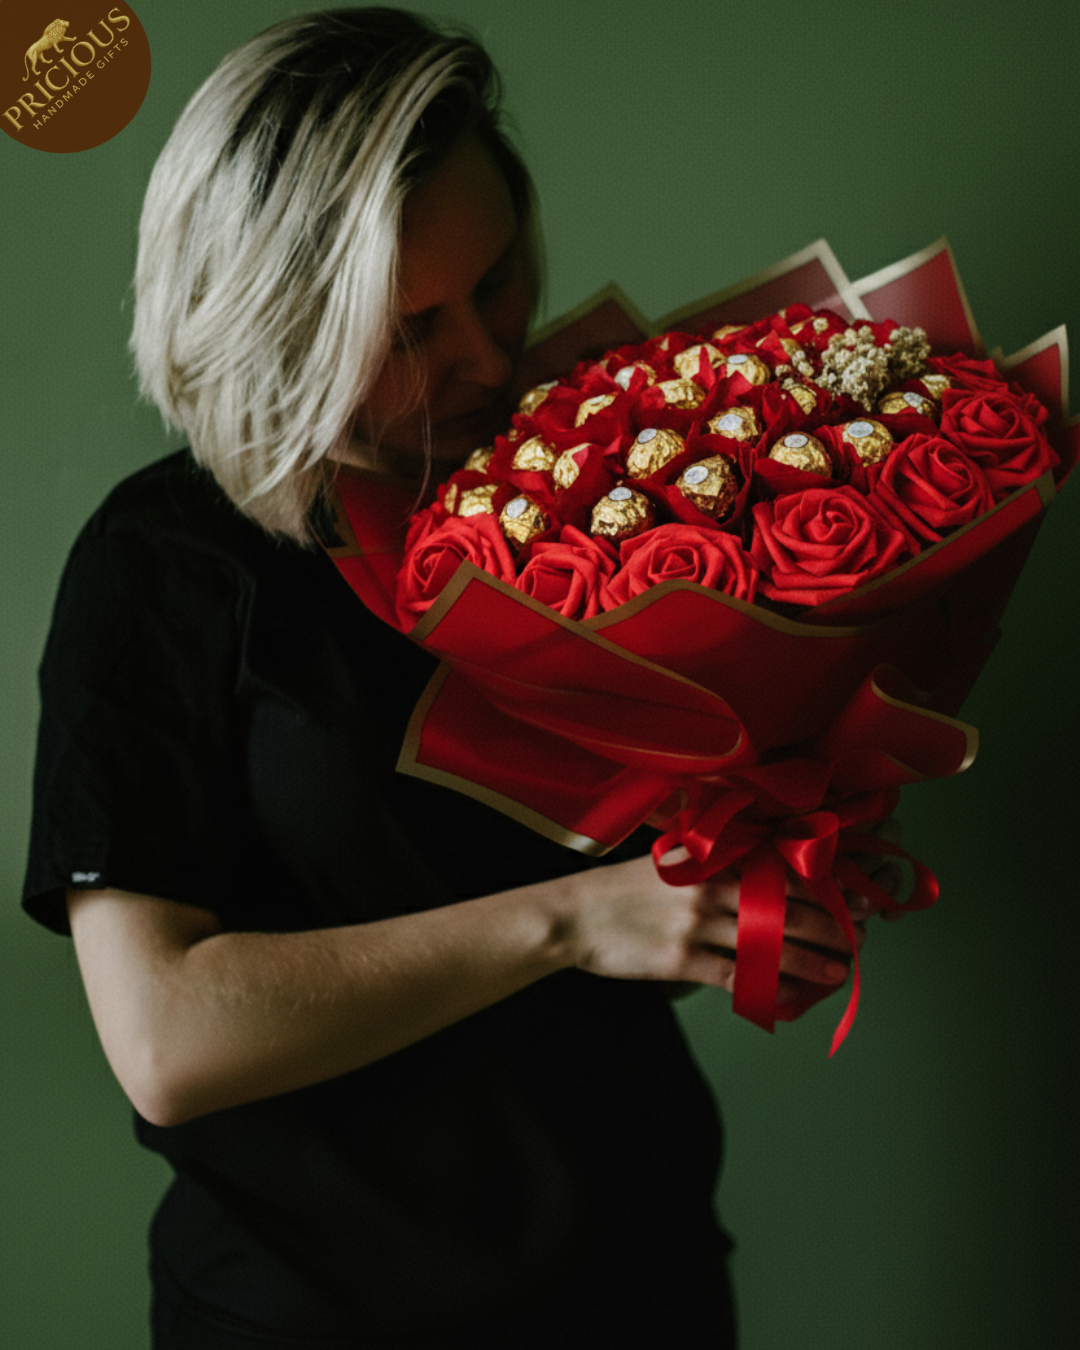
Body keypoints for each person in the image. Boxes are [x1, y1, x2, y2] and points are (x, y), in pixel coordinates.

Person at [22, 9, 889, 1347]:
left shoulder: (597, 494)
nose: (487, 356)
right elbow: (166, 1038)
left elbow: (642, 868)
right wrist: (574, 921)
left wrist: (761, 887)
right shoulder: (166, 570)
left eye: (497, 281)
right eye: (411, 328)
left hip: (638, 1282)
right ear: (270, 331)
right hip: (310, 1318)